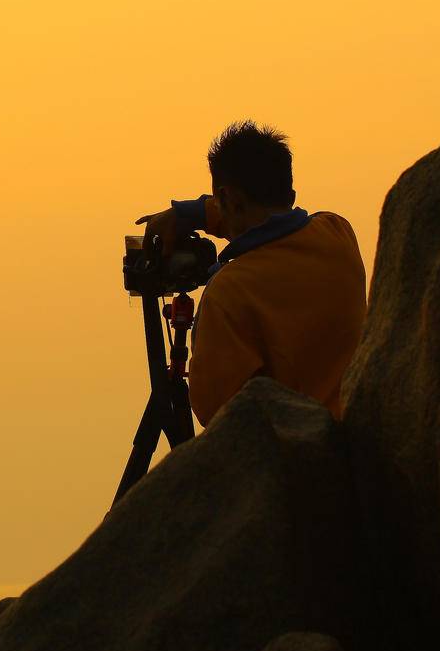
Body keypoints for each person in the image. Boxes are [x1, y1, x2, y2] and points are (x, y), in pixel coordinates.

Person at [135, 121, 366, 426]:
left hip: (291, 462)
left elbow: (215, 412)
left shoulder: (229, 293)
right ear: (290, 193)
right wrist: (194, 212)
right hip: (354, 441)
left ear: (229, 198)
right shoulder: (339, 235)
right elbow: (271, 222)